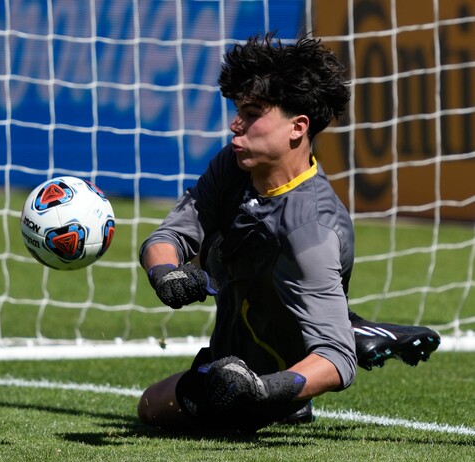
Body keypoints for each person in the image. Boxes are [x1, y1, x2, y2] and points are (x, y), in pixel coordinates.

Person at [137, 33, 440, 434]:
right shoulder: (234, 164)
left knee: (155, 408)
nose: (235, 124)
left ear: (298, 128)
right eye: (237, 110)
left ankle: (307, 374)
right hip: (236, 338)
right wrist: (166, 274)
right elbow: (169, 236)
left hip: (270, 375)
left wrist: (262, 389)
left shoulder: (311, 231)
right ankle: (346, 326)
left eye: (251, 113)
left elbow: (336, 361)